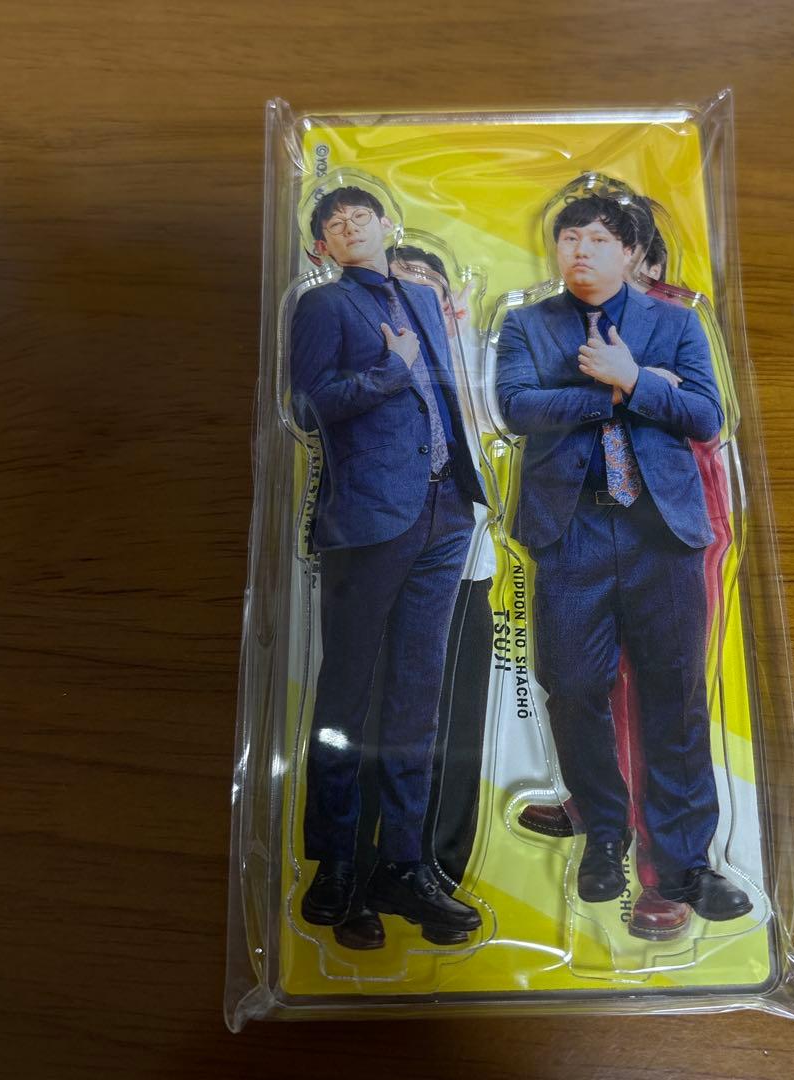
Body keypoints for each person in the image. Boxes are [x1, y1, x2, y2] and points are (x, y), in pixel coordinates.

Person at [496, 193, 751, 921]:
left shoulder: (676, 323)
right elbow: (517, 408)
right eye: (569, 237)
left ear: (633, 252)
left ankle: (686, 865)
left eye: (599, 239)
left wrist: (636, 377)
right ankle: (604, 834)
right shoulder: (526, 324)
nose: (580, 250)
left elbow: (705, 416)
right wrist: (614, 388)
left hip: (660, 534)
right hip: (569, 531)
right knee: (574, 687)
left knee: (675, 695)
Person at [290, 186, 487, 949]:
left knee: (416, 699)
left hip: (446, 511)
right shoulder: (323, 307)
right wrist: (389, 371)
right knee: (346, 697)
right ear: (323, 246)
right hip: (368, 520)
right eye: (334, 224)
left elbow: (450, 395)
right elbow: (306, 405)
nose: (349, 226)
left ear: (383, 224)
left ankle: (403, 864)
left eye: (359, 216)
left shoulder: (425, 300)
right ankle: (336, 865)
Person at [348, 243, 497, 947]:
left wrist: (456, 347)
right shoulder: (365, 360)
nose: (412, 296)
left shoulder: (469, 358)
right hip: (384, 569)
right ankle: (356, 880)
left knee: (456, 732)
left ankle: (435, 877)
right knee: (374, 726)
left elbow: (496, 424)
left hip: (465, 571)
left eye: (427, 287)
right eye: (397, 285)